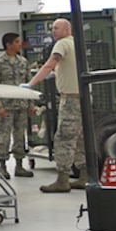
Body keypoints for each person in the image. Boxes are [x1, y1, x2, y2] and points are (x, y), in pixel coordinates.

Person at [28, 18, 83, 194]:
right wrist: (55, 74)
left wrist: (32, 83)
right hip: (83, 97)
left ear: (66, 30)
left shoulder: (61, 44)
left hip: (71, 100)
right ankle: (85, 176)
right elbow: (65, 67)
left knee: (64, 139)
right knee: (81, 138)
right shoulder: (77, 44)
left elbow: (50, 63)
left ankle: (62, 180)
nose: (53, 31)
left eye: (56, 28)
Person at [0, 31, 32, 178]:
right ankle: (2, 166)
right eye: (17, 42)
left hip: (21, 106)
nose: (20, 44)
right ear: (9, 45)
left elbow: (29, 84)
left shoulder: (23, 62)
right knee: (4, 137)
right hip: (6, 107)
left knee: (20, 136)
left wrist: (31, 104)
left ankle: (19, 166)